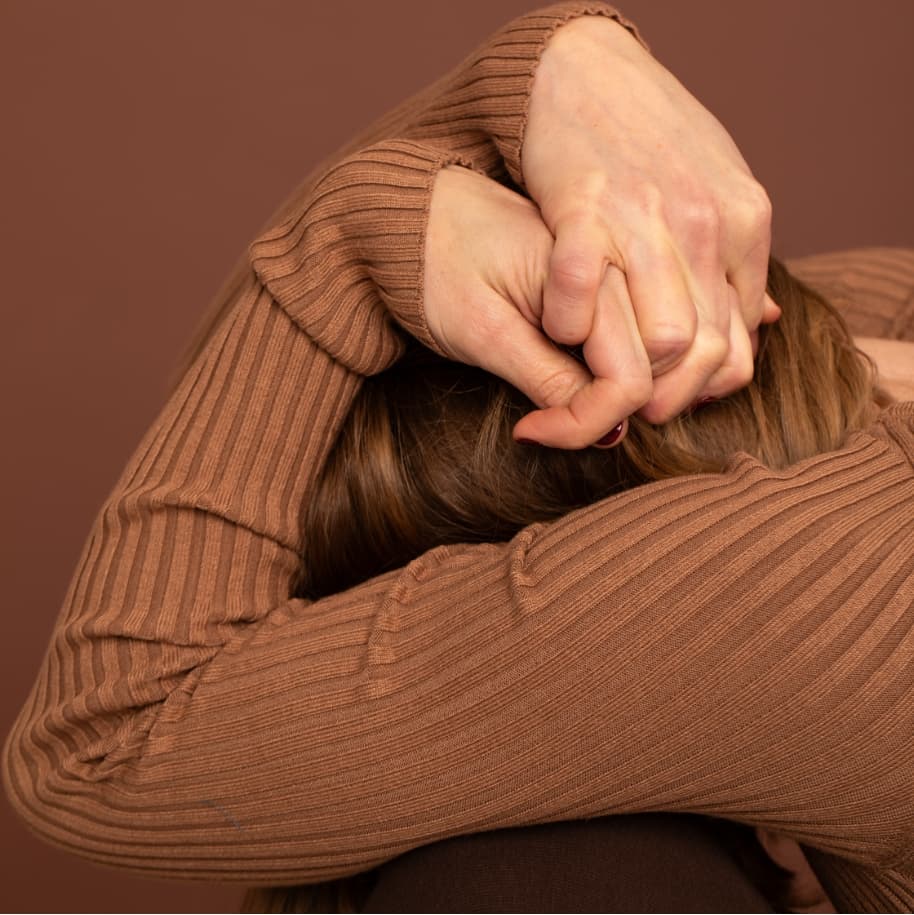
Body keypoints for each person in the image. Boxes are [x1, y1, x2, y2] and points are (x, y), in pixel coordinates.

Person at [2, 2, 913, 912]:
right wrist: (553, 70)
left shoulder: (789, 583)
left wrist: (351, 234)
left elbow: (106, 741)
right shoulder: (869, 343)